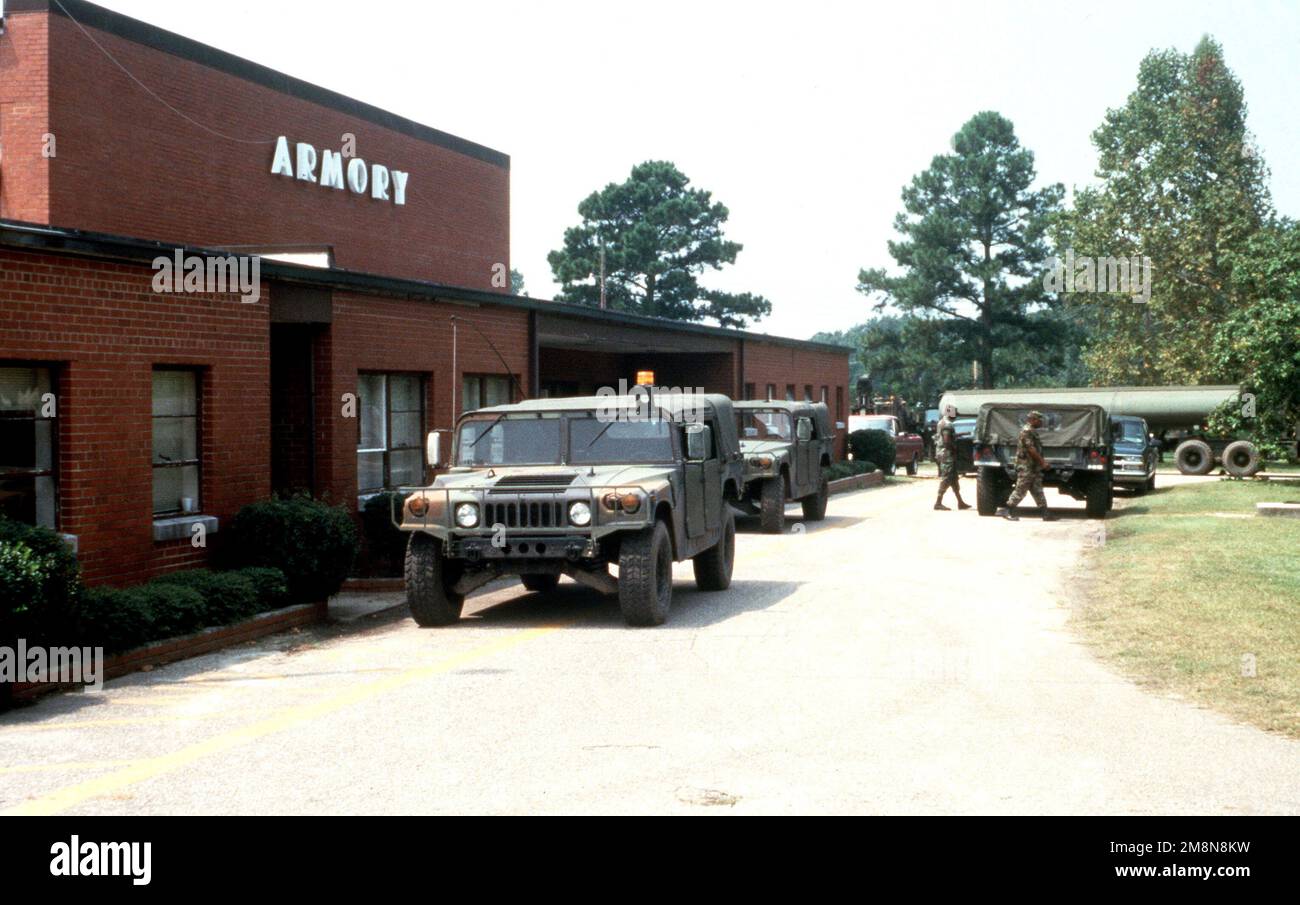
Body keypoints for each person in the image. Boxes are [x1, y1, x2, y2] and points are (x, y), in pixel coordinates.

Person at [996, 410, 1058, 521]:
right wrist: (1042, 462)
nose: (1041, 422)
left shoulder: (1032, 431)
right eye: (1039, 420)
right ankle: (1007, 510)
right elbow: (1031, 449)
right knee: (1021, 489)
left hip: (1033, 467)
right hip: (1026, 467)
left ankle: (1045, 513)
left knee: (1037, 490)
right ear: (1033, 420)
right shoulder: (1027, 431)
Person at [933, 404, 970, 511]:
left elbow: (946, 436)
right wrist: (953, 450)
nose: (956, 416)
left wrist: (960, 434)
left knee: (953, 479)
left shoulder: (942, 422)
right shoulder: (948, 424)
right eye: (955, 414)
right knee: (946, 478)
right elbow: (946, 440)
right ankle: (938, 502)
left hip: (944, 453)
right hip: (947, 454)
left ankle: (960, 502)